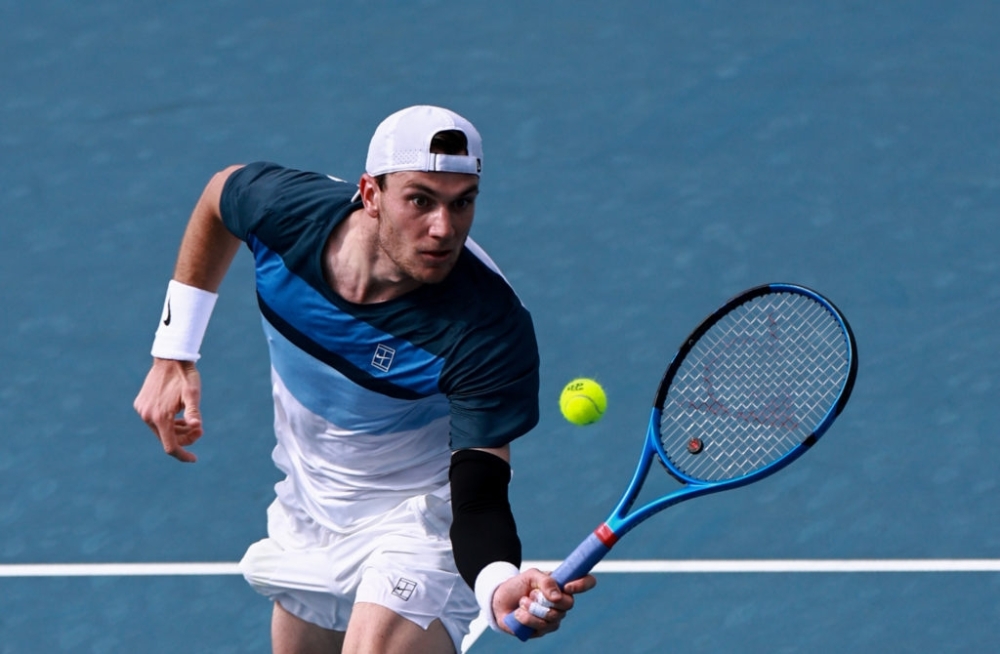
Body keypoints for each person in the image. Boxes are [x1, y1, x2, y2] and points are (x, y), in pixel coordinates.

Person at [133, 105, 596, 654]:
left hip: (417, 519)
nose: (442, 228)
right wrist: (174, 353)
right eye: (420, 200)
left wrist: (496, 581)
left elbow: (479, 493)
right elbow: (220, 195)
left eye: (462, 202)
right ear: (370, 195)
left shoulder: (487, 328)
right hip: (310, 505)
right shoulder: (287, 215)